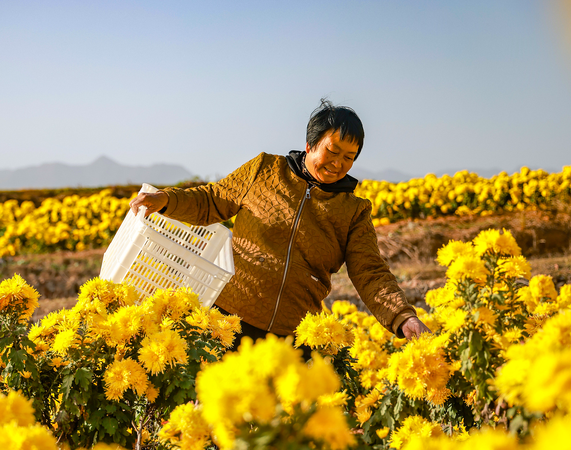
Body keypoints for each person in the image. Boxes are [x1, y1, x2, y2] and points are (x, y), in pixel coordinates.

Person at [130, 99, 431, 351]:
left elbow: (370, 272)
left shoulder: (353, 211)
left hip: (292, 336)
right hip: (227, 320)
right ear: (311, 144)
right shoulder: (264, 170)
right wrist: (166, 200)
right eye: (333, 151)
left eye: (349, 157)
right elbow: (212, 200)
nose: (339, 163)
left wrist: (403, 317)